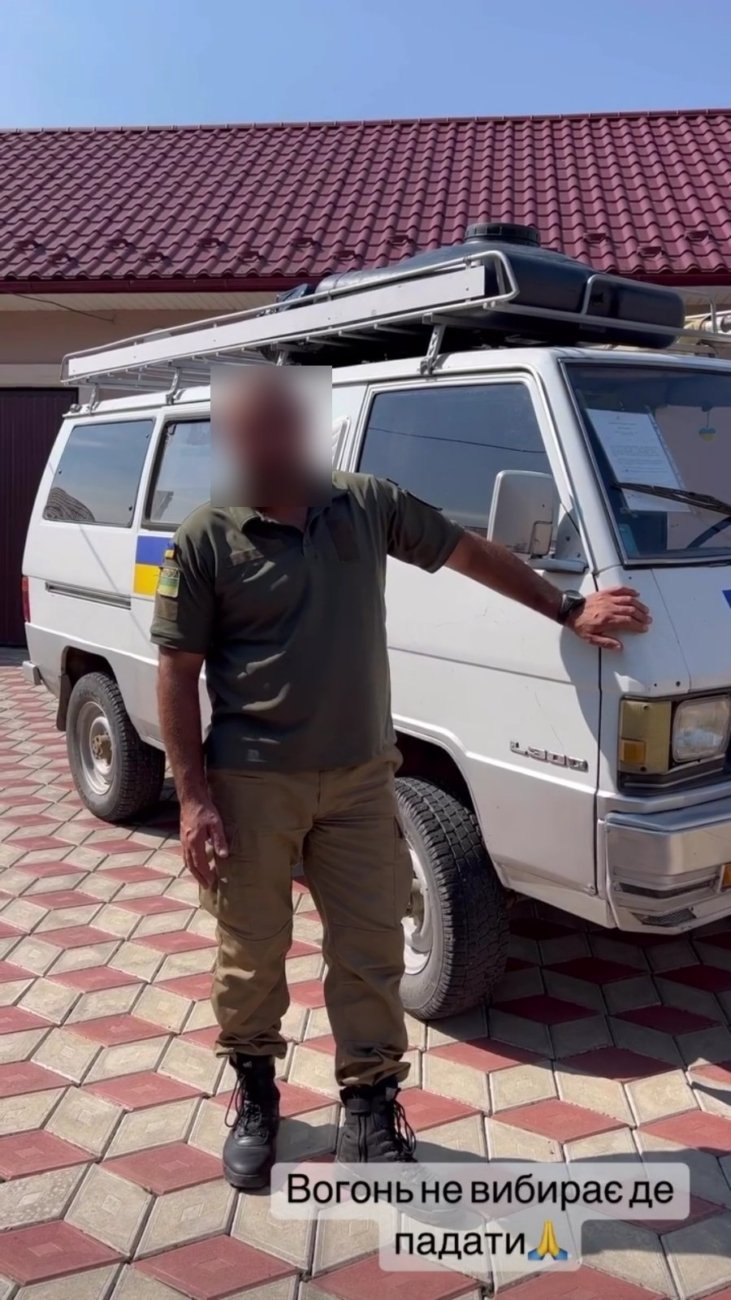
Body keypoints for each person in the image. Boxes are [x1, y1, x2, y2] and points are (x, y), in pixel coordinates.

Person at [150, 367, 651, 1190]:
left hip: (359, 779)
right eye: (249, 431)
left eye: (280, 426)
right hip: (252, 783)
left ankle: (369, 1104)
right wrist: (194, 798)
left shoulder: (365, 503)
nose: (267, 444)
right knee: (251, 950)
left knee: (372, 948)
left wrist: (564, 609)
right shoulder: (207, 536)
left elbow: (468, 552)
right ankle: (256, 1094)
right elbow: (177, 671)